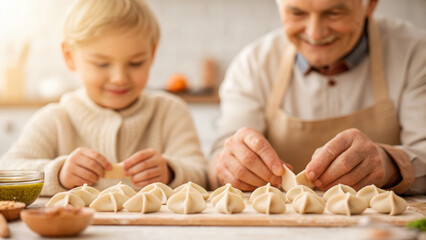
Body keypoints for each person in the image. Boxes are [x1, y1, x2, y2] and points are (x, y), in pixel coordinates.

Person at [209, 0, 425, 195]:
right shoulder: (253, 64)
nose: (315, 34)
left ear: (370, 5)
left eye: (334, 13)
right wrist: (230, 165)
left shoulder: (414, 54)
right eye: (297, 13)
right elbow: (217, 162)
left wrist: (391, 166)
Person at [0, 0, 207, 195]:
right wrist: (58, 173)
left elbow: (202, 174)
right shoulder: (55, 119)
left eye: (135, 63)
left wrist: (171, 172)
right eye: (101, 64)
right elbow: (8, 170)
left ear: (152, 54)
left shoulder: (171, 113)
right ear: (69, 56)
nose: (119, 78)